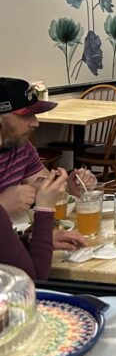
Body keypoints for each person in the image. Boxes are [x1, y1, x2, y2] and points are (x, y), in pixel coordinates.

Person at [0, 78, 89, 257]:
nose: (35, 123)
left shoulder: (22, 148)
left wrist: (68, 187)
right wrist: (2, 206)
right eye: (26, 115)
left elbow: (45, 186)